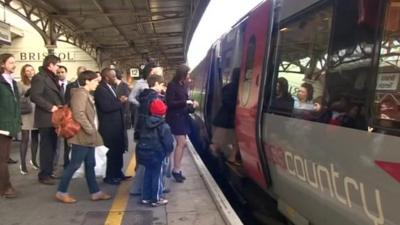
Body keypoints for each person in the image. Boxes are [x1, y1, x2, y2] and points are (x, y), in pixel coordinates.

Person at [56, 70, 111, 203]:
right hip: (82, 136)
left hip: (87, 136)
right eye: (95, 81)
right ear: (87, 81)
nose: (97, 83)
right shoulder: (80, 94)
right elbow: (79, 113)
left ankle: (95, 192)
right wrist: (90, 129)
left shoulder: (85, 94)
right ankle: (62, 192)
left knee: (90, 164)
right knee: (74, 164)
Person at [31, 55, 64, 185]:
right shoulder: (39, 78)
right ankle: (44, 175)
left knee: (53, 146)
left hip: (54, 118)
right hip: (46, 118)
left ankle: (49, 172)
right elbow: (35, 96)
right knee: (47, 147)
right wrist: (51, 107)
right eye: (56, 65)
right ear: (50, 65)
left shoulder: (52, 78)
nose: (58, 68)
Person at [130, 74, 166, 196]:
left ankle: (138, 188)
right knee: (152, 163)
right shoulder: (154, 98)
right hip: (152, 134)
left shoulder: (143, 95)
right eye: (161, 85)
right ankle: (149, 189)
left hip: (142, 131)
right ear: (156, 83)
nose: (162, 87)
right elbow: (154, 117)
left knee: (143, 160)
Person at [94, 68, 130, 185]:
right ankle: (109, 176)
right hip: (108, 127)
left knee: (118, 150)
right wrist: (121, 102)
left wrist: (119, 100)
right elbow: (106, 107)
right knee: (111, 152)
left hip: (116, 125)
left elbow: (112, 103)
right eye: (113, 76)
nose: (116, 78)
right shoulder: (101, 90)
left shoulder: (110, 88)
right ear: (106, 78)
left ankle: (118, 172)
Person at [137, 99, 173, 207]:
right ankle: (156, 199)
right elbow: (168, 143)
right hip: (158, 155)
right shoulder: (164, 126)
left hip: (145, 154)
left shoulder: (145, 123)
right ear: (163, 112)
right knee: (157, 176)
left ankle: (146, 197)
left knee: (148, 174)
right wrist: (168, 152)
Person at [165, 64, 198, 183]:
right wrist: (185, 102)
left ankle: (177, 169)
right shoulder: (172, 85)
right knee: (181, 142)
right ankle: (176, 169)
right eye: (187, 73)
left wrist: (192, 105)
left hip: (183, 118)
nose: (189, 76)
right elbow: (169, 103)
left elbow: (184, 103)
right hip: (175, 118)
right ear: (182, 73)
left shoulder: (183, 85)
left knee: (183, 144)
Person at [209, 68, 241, 165]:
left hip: (225, 119)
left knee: (231, 140)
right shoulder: (239, 88)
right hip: (229, 119)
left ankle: (229, 157)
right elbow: (229, 102)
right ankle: (226, 158)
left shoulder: (227, 87)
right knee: (233, 140)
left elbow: (224, 100)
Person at [0, 53, 21, 198]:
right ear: (2, 64)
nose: (14, 65)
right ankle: (5, 188)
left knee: (3, 158)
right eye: (10, 62)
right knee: (2, 159)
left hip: (9, 125)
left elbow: (15, 104)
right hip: (2, 125)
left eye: (14, 62)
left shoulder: (12, 82)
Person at [17, 64, 39, 174]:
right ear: (24, 73)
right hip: (26, 113)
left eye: (31, 69)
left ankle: (34, 161)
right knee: (24, 139)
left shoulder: (38, 83)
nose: (30, 72)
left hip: (37, 113)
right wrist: (27, 93)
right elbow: (17, 99)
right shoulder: (20, 84)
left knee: (35, 139)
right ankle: (23, 164)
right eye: (27, 70)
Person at [128, 61, 156, 140]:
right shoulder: (140, 83)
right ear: (148, 71)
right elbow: (131, 97)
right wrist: (140, 104)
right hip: (143, 114)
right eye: (153, 72)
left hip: (154, 114)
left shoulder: (157, 82)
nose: (154, 74)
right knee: (142, 137)